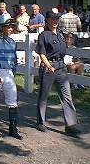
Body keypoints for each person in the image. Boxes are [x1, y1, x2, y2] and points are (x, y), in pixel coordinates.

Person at [35, 9, 81, 137]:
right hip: (49, 67)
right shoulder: (44, 35)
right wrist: (48, 65)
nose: (55, 21)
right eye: (52, 19)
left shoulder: (60, 34)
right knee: (43, 96)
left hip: (61, 67)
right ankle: (40, 122)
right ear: (47, 20)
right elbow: (41, 53)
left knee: (67, 96)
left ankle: (71, 125)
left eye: (56, 19)